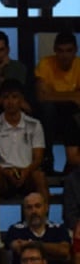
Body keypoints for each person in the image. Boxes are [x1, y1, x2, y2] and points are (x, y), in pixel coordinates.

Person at [0, 79, 50, 236]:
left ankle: (44, 224)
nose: (10, 101)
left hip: (28, 173)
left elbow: (38, 158)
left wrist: (26, 171)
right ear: (1, 100)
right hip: (3, 175)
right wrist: (6, 172)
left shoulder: (34, 125)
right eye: (6, 97)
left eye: (14, 97)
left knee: (39, 176)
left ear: (21, 99)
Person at [3, 192, 72, 264]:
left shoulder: (59, 229)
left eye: (37, 206)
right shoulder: (15, 230)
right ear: (24, 211)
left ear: (46, 208)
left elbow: (64, 252)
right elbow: (19, 249)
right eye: (29, 207)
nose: (34, 211)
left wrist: (33, 245)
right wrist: (55, 254)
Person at [34, 31, 80, 173]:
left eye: (68, 51)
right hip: (51, 114)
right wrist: (72, 96)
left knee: (71, 113)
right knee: (48, 108)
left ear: (75, 50)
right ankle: (47, 158)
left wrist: (55, 95)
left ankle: (72, 161)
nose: (64, 55)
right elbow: (42, 97)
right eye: (60, 51)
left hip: (71, 113)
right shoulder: (46, 64)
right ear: (55, 50)